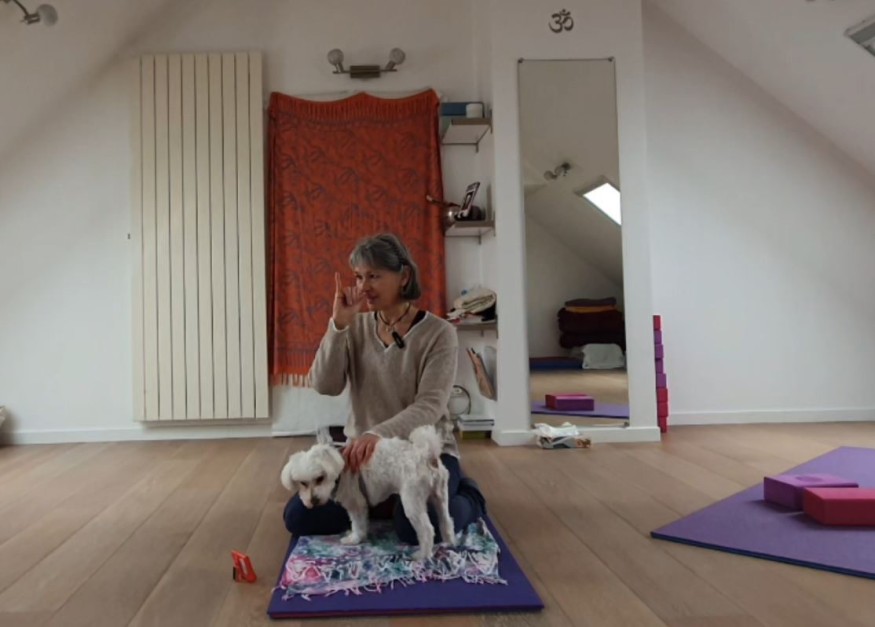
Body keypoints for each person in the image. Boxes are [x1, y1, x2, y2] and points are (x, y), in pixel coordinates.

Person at [283, 233, 486, 544]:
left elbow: (430, 405)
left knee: (416, 529)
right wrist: (338, 325)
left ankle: (469, 496)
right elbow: (325, 385)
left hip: (421, 452)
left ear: (404, 276)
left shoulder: (439, 333)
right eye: (358, 277)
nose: (363, 286)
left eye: (374, 276)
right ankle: (386, 501)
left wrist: (376, 433)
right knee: (299, 517)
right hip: (363, 458)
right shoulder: (355, 326)